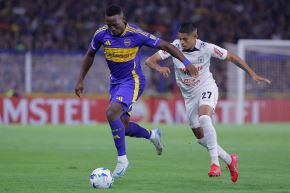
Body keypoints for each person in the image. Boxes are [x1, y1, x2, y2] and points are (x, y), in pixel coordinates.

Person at [74, 6, 198, 179]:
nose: (112, 28)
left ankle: (122, 160)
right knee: (122, 127)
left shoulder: (136, 34)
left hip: (133, 81)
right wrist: (81, 79)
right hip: (116, 83)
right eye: (108, 24)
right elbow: (90, 55)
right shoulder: (101, 34)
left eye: (115, 24)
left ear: (123, 21)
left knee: (111, 113)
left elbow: (165, 45)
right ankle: (152, 135)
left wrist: (185, 61)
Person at [145, 22, 271, 182]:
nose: (182, 42)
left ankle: (215, 164)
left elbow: (232, 57)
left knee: (205, 118)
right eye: (180, 39)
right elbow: (150, 60)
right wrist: (159, 68)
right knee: (200, 138)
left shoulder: (207, 48)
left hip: (206, 87)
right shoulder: (174, 47)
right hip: (189, 97)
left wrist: (252, 74)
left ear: (195, 37)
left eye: (185, 39)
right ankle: (230, 160)